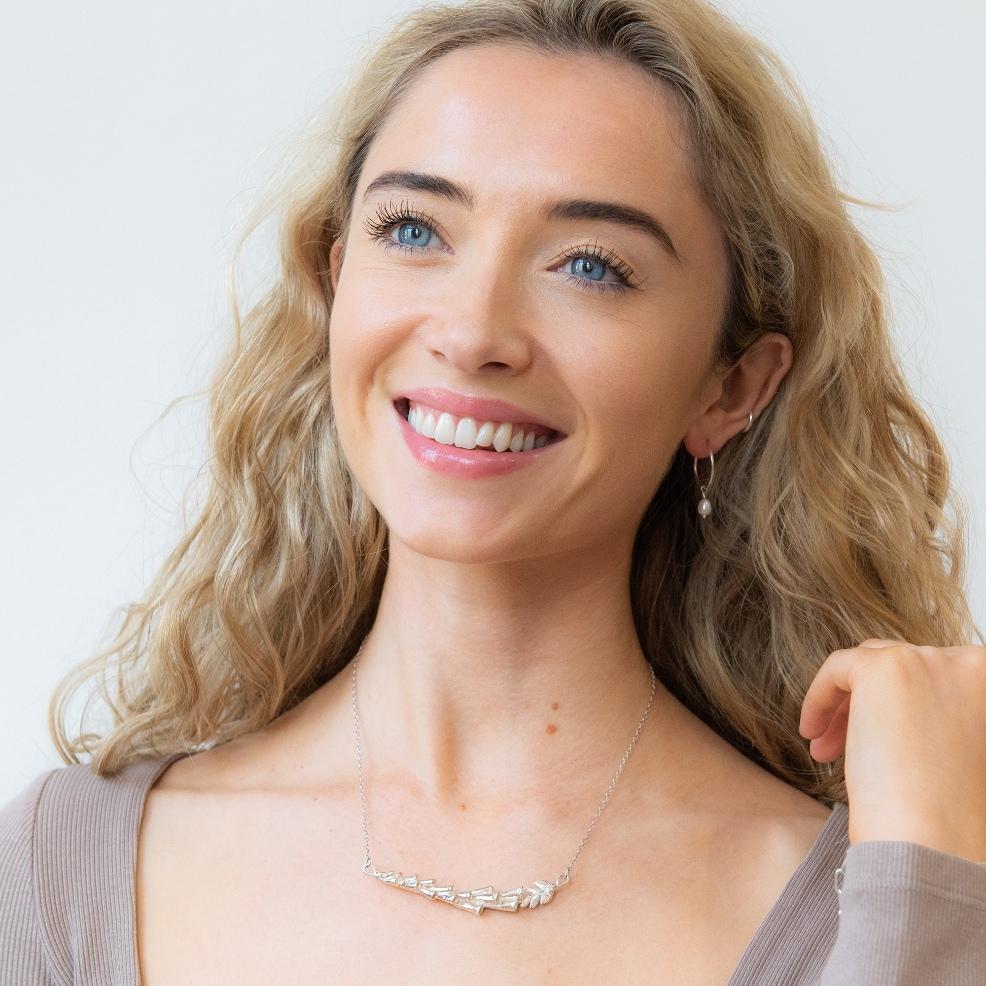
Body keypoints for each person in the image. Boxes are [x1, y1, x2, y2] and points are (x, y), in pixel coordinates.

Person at [3, 0, 985, 983]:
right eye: (415, 228)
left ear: (728, 387)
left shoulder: (874, 902)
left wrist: (926, 884)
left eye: (590, 265)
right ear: (336, 285)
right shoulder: (68, 872)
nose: (472, 330)